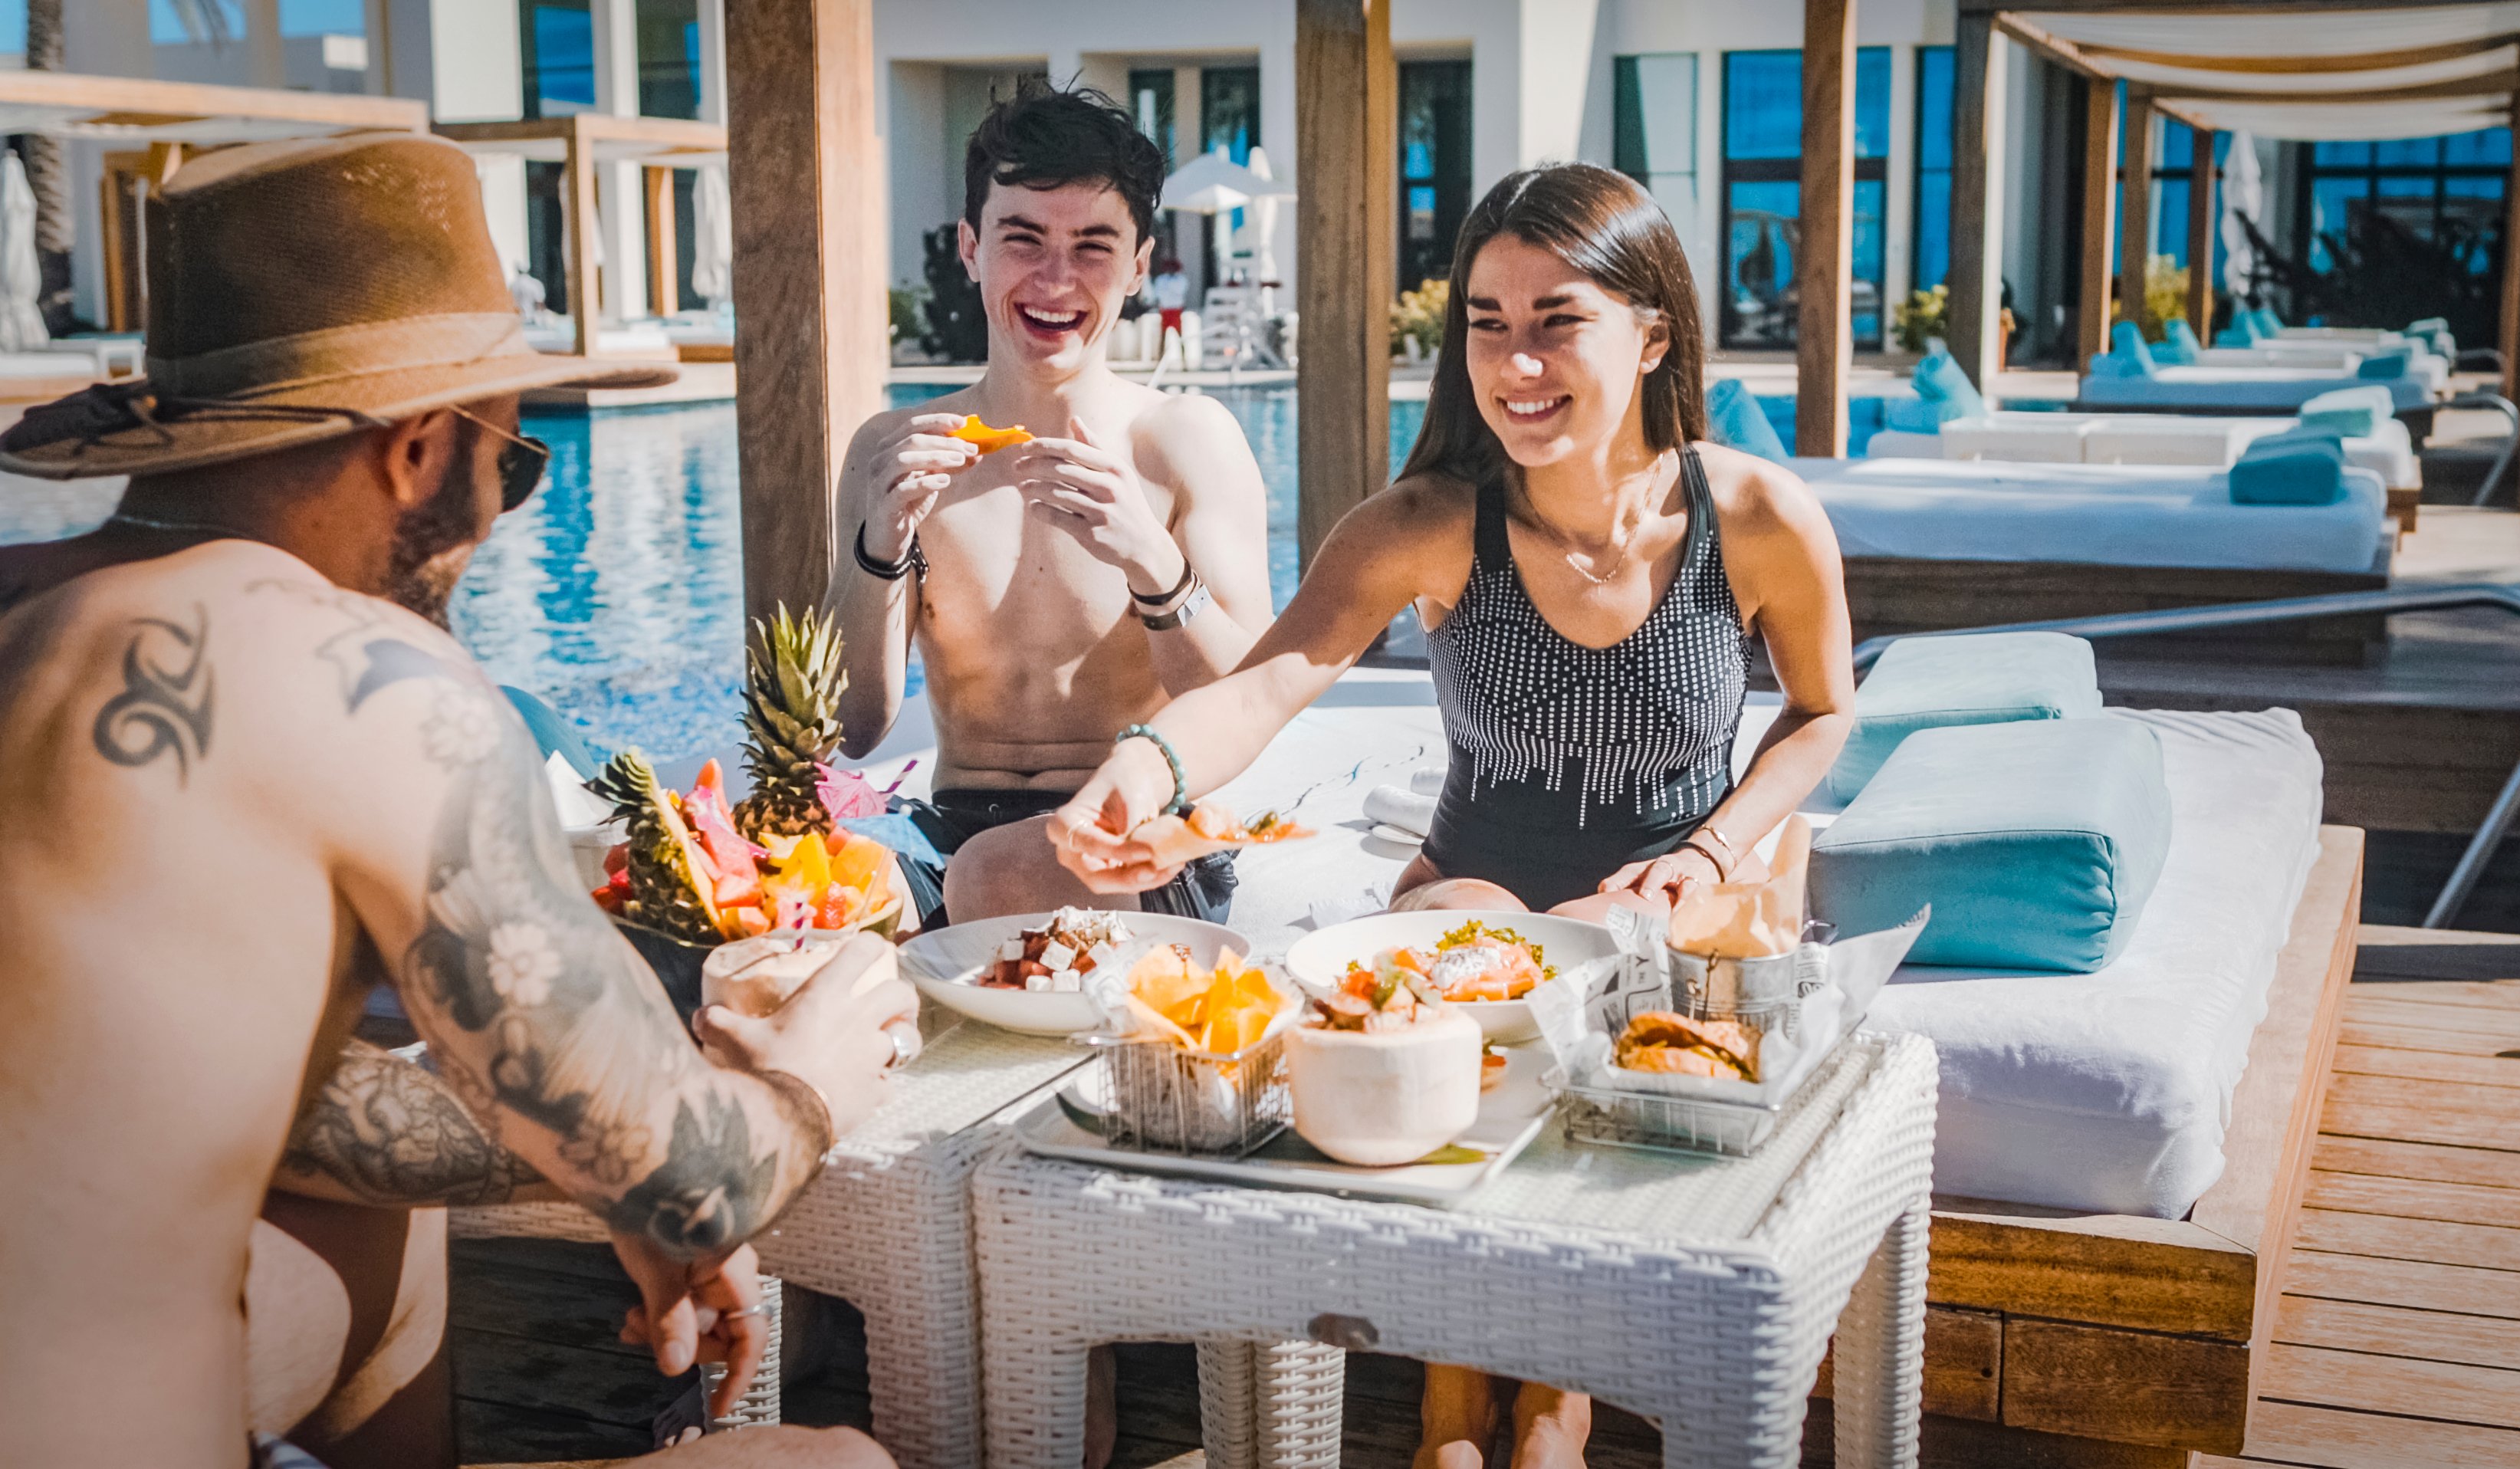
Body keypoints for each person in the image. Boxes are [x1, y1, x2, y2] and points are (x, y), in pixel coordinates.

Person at [0, 133, 911, 1469]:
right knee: (836, 1466)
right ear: (420, 450)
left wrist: (593, 1162)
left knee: (376, 1228)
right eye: (512, 464)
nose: (497, 520)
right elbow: (704, 1177)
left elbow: (277, 1105)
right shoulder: (359, 675)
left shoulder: (28, 604)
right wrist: (805, 1088)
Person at [1046, 163, 1856, 1467]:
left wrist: (1713, 848)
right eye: (1486, 321)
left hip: (1680, 882)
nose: (1514, 360)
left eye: (1556, 320)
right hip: (1478, 877)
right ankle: (1469, 1403)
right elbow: (1263, 685)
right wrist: (1143, 768)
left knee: (1594, 963)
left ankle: (1520, 1410)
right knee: (1452, 982)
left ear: (1650, 334)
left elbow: (1822, 712)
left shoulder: (1753, 516)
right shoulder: (1426, 525)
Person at [823, 81, 1273, 930]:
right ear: (971, 247)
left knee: (1001, 871)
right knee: (809, 891)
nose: (1056, 279)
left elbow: (1247, 705)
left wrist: (1154, 562)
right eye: (1022, 239)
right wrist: (880, 545)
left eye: (1093, 247)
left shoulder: (1183, 441)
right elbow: (854, 727)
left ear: (1141, 264)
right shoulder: (894, 449)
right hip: (943, 834)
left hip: (1137, 836)